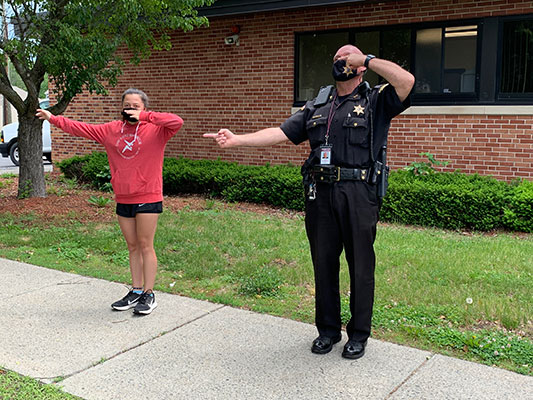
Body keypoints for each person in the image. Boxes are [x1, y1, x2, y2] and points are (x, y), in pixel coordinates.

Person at [204, 45, 414, 359]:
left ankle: (358, 334)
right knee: (324, 264)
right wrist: (237, 140)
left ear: (358, 67)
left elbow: (407, 81)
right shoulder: (318, 104)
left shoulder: (375, 99)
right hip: (321, 193)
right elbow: (280, 133)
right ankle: (327, 331)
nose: (339, 61)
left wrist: (367, 60)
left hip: (358, 193)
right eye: (336, 58)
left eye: (346, 57)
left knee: (360, 266)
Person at [36, 88, 183, 315]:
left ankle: (149, 293)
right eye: (127, 105)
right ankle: (135, 291)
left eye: (136, 105)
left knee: (145, 245)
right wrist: (53, 118)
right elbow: (82, 129)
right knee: (132, 246)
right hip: (123, 196)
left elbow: (176, 121)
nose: (130, 109)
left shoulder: (157, 130)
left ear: (144, 108)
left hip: (148, 195)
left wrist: (144, 117)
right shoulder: (111, 130)